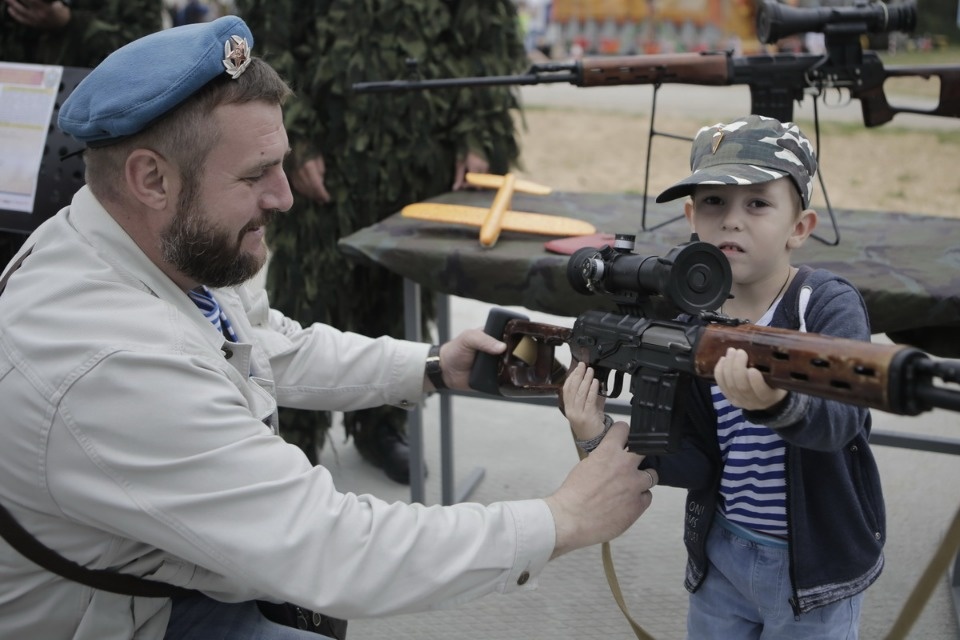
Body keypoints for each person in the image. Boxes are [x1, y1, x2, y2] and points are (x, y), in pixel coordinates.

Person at [0, 18, 656, 639]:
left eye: (280, 163)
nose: (284, 197)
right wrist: (562, 519)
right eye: (256, 175)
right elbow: (333, 548)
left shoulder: (131, 238)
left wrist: (430, 366)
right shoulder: (110, 360)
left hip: (162, 575)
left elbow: (262, 342)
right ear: (151, 178)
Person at [562, 115, 885, 638]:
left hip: (816, 568)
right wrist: (596, 438)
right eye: (714, 202)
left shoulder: (821, 305)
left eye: (757, 203)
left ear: (799, 227)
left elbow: (842, 421)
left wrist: (777, 404)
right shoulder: (687, 319)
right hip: (722, 553)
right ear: (691, 217)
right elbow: (693, 463)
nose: (732, 220)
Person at [234, 0, 527, 484]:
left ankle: (382, 423)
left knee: (401, 299)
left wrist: (477, 138)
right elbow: (271, 43)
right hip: (329, 159)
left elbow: (485, 47)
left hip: (423, 157)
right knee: (313, 296)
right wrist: (296, 138)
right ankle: (295, 433)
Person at [0, 0, 163, 273]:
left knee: (71, 261)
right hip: (14, 131)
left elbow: (146, 56)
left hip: (87, 146)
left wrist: (69, 23)